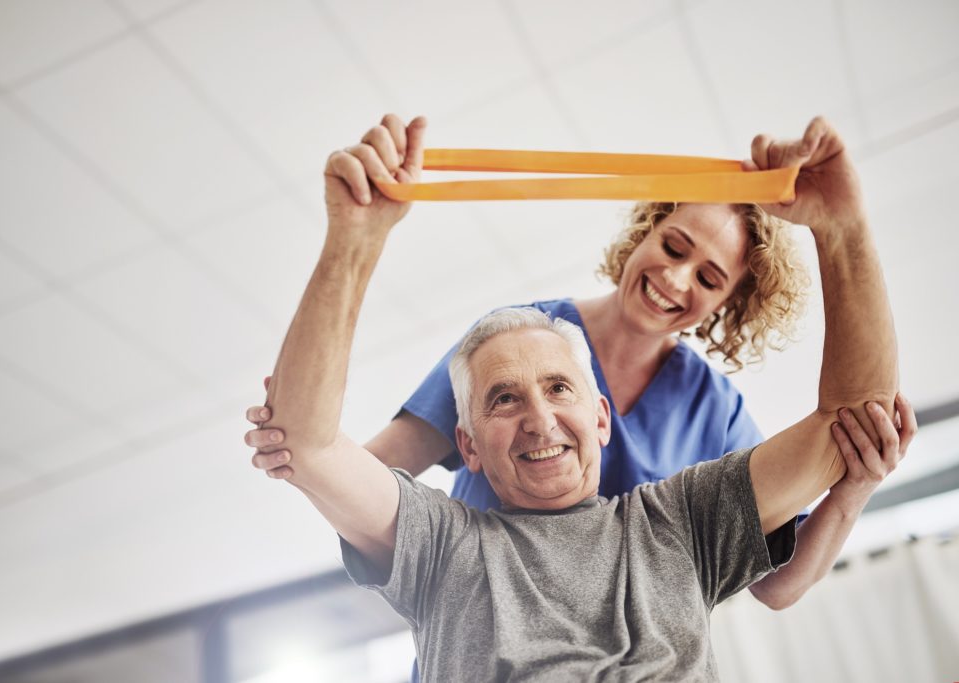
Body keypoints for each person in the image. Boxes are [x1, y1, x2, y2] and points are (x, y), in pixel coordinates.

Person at [249, 115, 914, 680]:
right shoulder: (505, 350)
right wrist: (352, 250)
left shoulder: (685, 507)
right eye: (505, 399)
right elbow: (331, 453)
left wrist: (842, 227)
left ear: (600, 417)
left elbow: (838, 448)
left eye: (709, 277)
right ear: (467, 442)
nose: (540, 419)